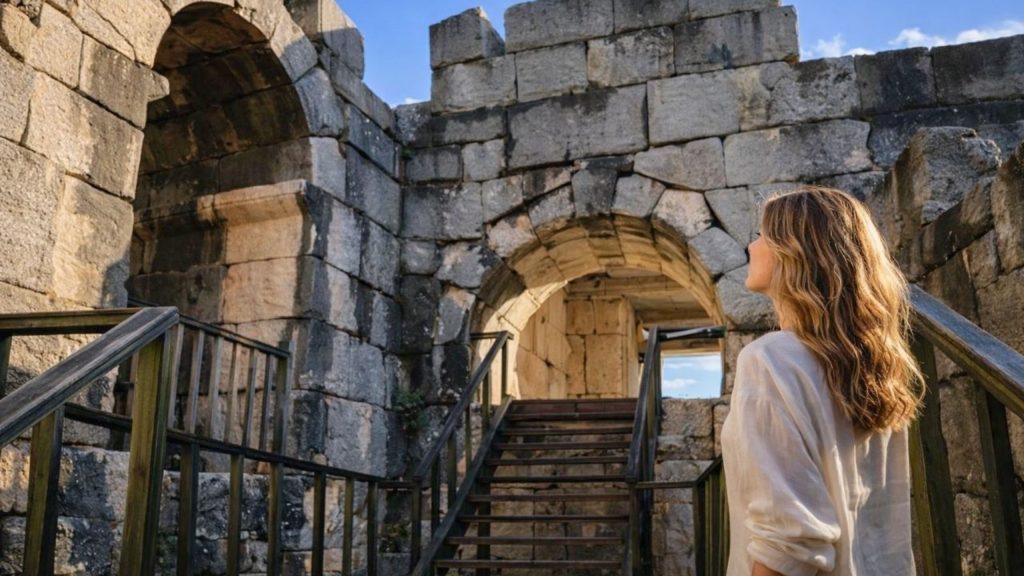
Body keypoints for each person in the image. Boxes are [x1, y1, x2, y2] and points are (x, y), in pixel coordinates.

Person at [720, 185, 926, 576]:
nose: (751, 246)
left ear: (793, 251)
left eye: (762, 236)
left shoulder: (769, 360)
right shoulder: (873, 370)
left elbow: (788, 541)